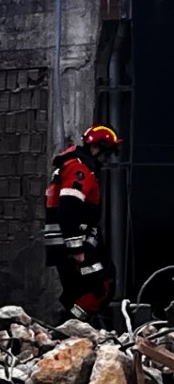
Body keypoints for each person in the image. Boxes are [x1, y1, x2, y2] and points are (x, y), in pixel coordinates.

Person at [44, 124, 122, 321]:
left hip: (65, 247)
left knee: (79, 290)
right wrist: (77, 249)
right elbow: (69, 208)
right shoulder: (79, 169)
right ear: (97, 147)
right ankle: (70, 324)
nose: (107, 158)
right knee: (102, 284)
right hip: (75, 247)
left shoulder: (70, 166)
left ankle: (70, 327)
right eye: (108, 152)